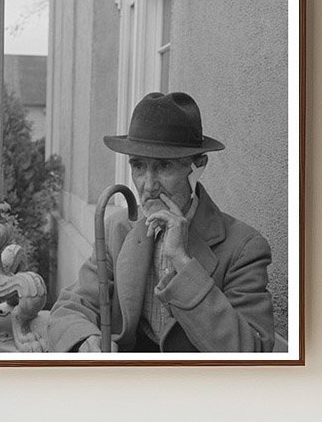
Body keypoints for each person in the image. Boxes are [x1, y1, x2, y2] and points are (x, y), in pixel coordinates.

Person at [47, 91, 276, 353]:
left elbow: (252, 351)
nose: (148, 185)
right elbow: (71, 305)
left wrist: (182, 261)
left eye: (164, 167)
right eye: (138, 166)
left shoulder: (243, 247)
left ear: (197, 166)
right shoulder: (118, 229)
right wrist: (85, 337)